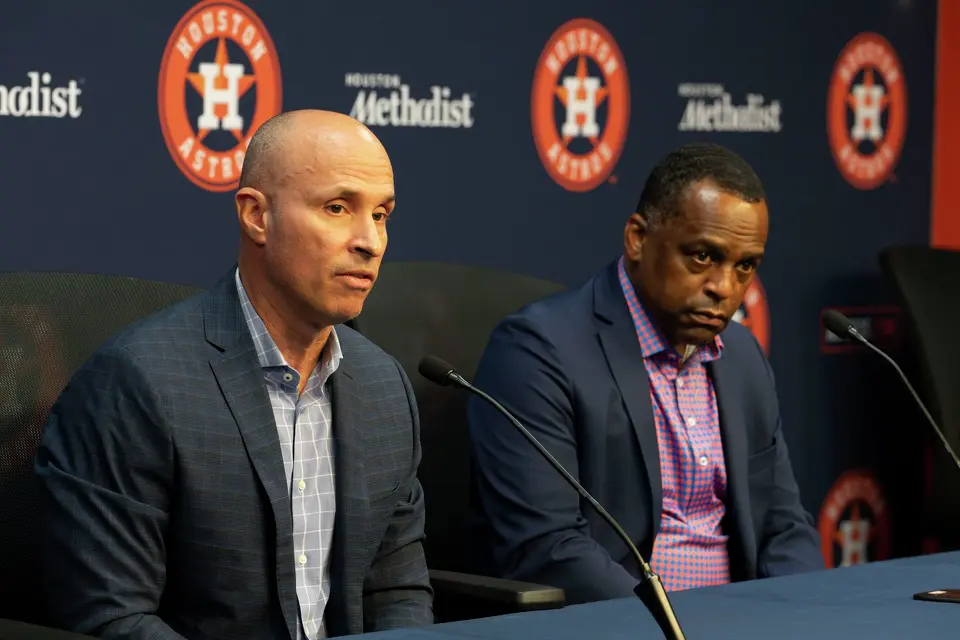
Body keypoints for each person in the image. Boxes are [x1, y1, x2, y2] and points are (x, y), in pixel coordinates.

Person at [35, 110, 434, 639]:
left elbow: (396, 589)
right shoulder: (138, 383)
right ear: (256, 216)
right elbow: (113, 617)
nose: (371, 241)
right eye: (337, 208)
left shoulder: (384, 385)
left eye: (381, 215)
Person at [467, 142, 823, 604]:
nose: (724, 287)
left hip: (745, 618)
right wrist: (675, 628)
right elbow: (547, 547)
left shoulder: (742, 356)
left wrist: (802, 611)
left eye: (745, 266)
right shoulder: (538, 352)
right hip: (625, 624)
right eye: (702, 256)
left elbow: (783, 523)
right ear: (637, 238)